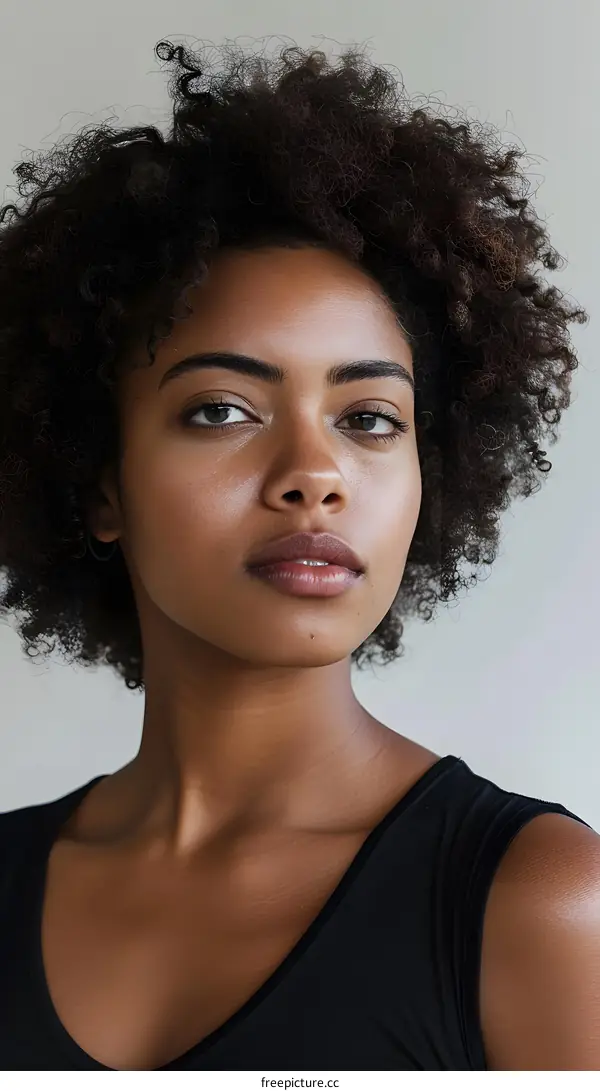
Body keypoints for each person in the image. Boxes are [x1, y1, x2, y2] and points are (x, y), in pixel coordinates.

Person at [0, 38, 597, 1073]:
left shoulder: (537, 903)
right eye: (221, 409)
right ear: (100, 481)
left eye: (368, 418)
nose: (313, 474)